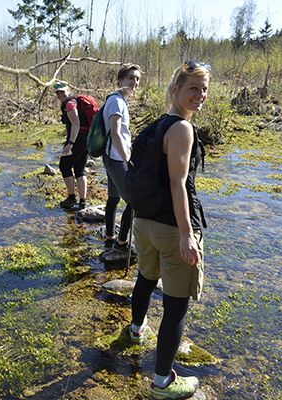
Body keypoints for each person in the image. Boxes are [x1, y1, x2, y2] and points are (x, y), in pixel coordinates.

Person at [129, 61, 210, 400]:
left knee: (146, 278)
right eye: (193, 88)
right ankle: (163, 381)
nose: (200, 95)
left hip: (143, 223)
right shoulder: (182, 129)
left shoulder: (156, 126)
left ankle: (135, 329)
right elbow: (178, 185)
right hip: (168, 226)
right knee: (176, 306)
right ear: (175, 89)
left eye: (204, 89)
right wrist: (187, 234)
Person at [102, 64, 142, 252]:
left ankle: (110, 238)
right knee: (134, 200)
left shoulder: (118, 100)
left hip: (113, 156)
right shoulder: (117, 102)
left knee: (113, 197)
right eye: (131, 78)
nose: (134, 82)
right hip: (117, 158)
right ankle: (122, 244)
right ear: (120, 80)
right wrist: (127, 159)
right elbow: (116, 133)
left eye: (137, 79)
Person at [54, 81, 89, 210]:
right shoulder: (73, 102)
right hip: (86, 140)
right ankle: (83, 202)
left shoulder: (69, 104)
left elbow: (76, 124)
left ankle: (71, 197)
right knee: (80, 169)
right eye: (58, 92)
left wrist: (70, 143)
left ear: (68, 90)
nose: (60, 94)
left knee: (64, 166)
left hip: (77, 140)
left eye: (62, 91)